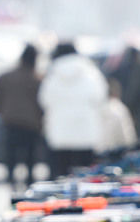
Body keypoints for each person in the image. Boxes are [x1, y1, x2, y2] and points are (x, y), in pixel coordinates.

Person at [37, 42, 109, 177]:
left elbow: (44, 100)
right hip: (86, 132)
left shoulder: (53, 75)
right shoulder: (91, 72)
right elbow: (100, 98)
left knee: (60, 175)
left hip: (60, 133)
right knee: (86, 175)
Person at [0, 43, 44, 189]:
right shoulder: (37, 79)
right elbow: (45, 102)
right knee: (30, 154)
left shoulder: (6, 77)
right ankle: (30, 181)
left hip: (10, 121)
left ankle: (12, 179)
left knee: (11, 152)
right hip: (32, 124)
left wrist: (3, 112)